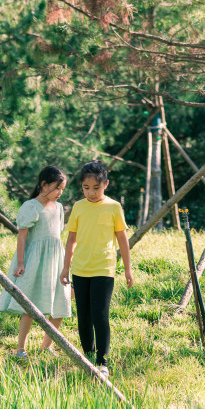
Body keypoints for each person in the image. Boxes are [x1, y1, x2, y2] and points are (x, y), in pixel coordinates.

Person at [60, 160, 133, 380]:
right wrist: (65, 268)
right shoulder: (79, 207)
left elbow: (122, 239)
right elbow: (71, 239)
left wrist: (128, 269)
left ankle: (103, 362)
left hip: (104, 268)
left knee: (100, 315)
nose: (91, 193)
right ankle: (88, 356)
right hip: (80, 269)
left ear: (106, 184)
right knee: (83, 316)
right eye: (86, 188)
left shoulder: (113, 207)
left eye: (96, 188)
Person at [0, 165, 71, 361]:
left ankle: (46, 346)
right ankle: (20, 349)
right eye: (56, 188)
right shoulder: (30, 207)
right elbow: (22, 238)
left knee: (61, 303)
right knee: (29, 307)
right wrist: (20, 263)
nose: (59, 192)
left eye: (62, 189)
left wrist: (65, 265)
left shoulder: (58, 208)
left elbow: (56, 238)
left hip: (55, 262)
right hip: (35, 262)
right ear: (43, 184)